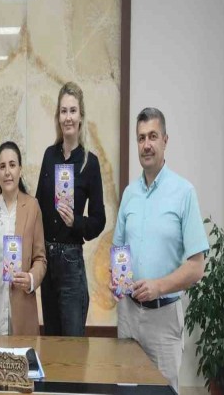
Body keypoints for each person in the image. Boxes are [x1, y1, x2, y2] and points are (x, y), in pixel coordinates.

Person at [111, 107, 208, 392]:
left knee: (163, 391)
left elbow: (197, 266)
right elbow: (118, 248)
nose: (146, 144)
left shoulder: (184, 193)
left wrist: (158, 286)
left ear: (165, 140)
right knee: (126, 390)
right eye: (141, 138)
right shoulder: (129, 194)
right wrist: (115, 279)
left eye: (153, 136)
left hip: (164, 319)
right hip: (128, 315)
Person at [35, 81, 106, 336]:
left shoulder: (90, 163)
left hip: (71, 260)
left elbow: (99, 220)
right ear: (58, 116)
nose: (68, 117)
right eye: (63, 111)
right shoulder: (49, 156)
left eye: (73, 111)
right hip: (47, 261)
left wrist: (75, 222)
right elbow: (37, 207)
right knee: (51, 341)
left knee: (72, 345)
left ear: (81, 116)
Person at [0, 141, 47, 335]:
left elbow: (40, 258)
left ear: (20, 169)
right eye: (2, 167)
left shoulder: (32, 207)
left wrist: (31, 279)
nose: (7, 172)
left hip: (22, 311)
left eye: (12, 165)